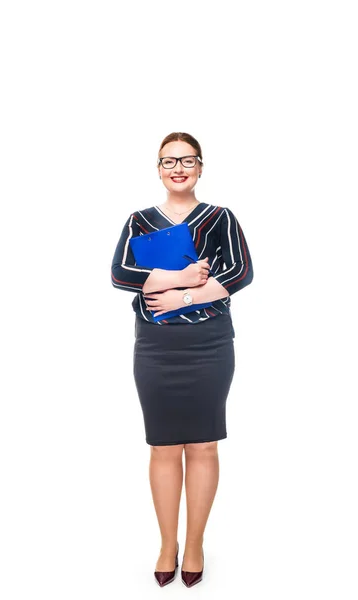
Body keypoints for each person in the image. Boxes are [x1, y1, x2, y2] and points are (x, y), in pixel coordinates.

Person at [111, 132, 253, 587]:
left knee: (204, 444)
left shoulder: (220, 217)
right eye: (168, 161)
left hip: (209, 344)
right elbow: (120, 274)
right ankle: (166, 543)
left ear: (200, 167)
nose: (178, 168)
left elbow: (241, 272)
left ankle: (194, 543)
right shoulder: (140, 220)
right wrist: (181, 275)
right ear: (157, 168)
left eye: (187, 160)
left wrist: (181, 296)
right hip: (156, 347)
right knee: (164, 445)